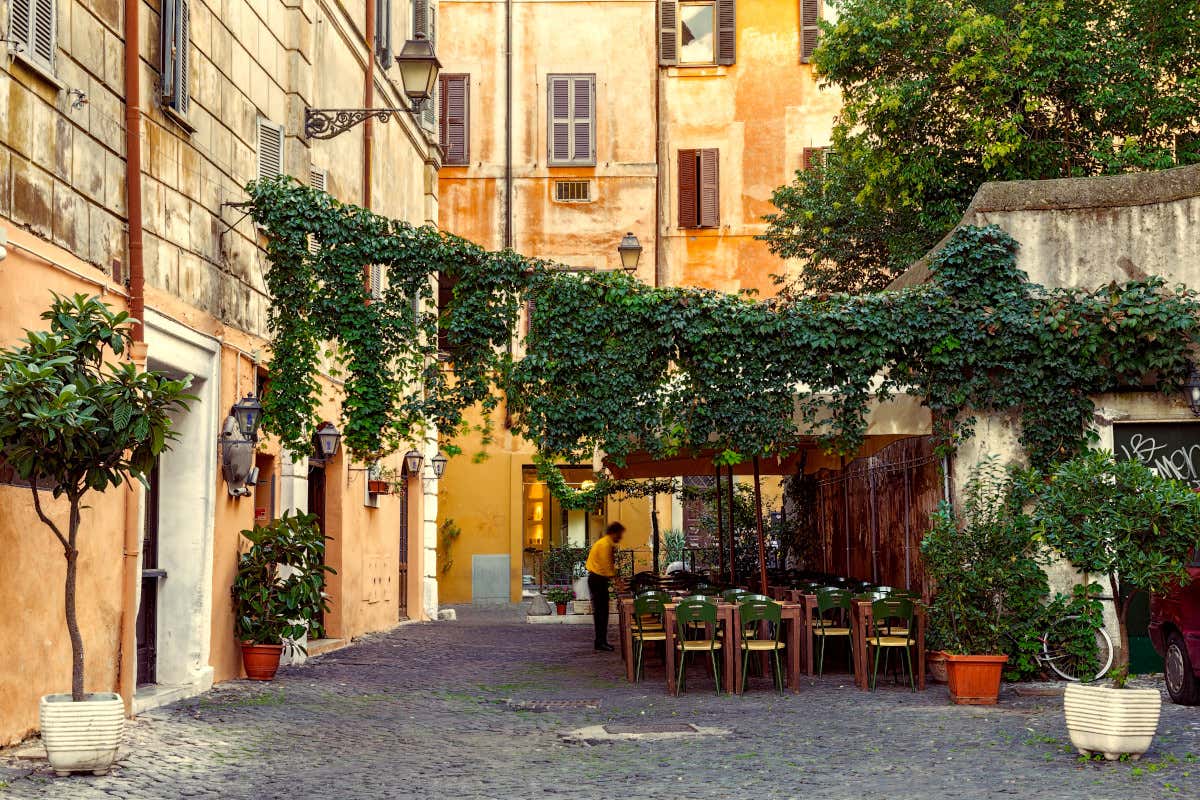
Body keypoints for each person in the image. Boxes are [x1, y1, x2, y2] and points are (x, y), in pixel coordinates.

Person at [585, 521, 625, 651]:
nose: (621, 537)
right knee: (602, 612)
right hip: (598, 579)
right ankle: (600, 642)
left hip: (597, 579)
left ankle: (601, 640)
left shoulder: (604, 543)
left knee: (601, 611)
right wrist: (617, 583)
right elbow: (606, 566)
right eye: (620, 534)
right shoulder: (605, 545)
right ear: (614, 532)